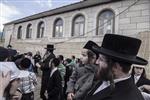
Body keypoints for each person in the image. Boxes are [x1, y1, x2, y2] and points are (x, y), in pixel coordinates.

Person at [85, 34, 148, 100]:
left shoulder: (128, 96)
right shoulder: (107, 77)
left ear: (116, 66)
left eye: (101, 59)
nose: (96, 62)